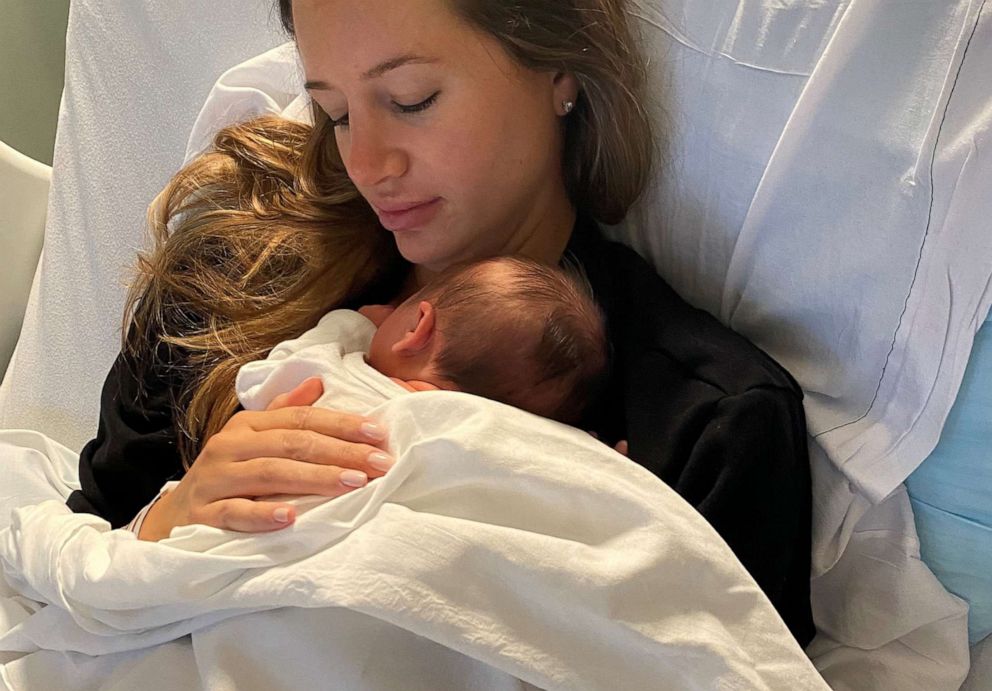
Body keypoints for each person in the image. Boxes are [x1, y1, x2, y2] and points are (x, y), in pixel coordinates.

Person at [67, 0, 815, 644]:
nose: (367, 162)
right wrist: (175, 514)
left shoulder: (707, 427)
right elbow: (74, 559)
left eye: (413, 97)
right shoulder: (231, 285)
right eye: (336, 113)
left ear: (560, 69)